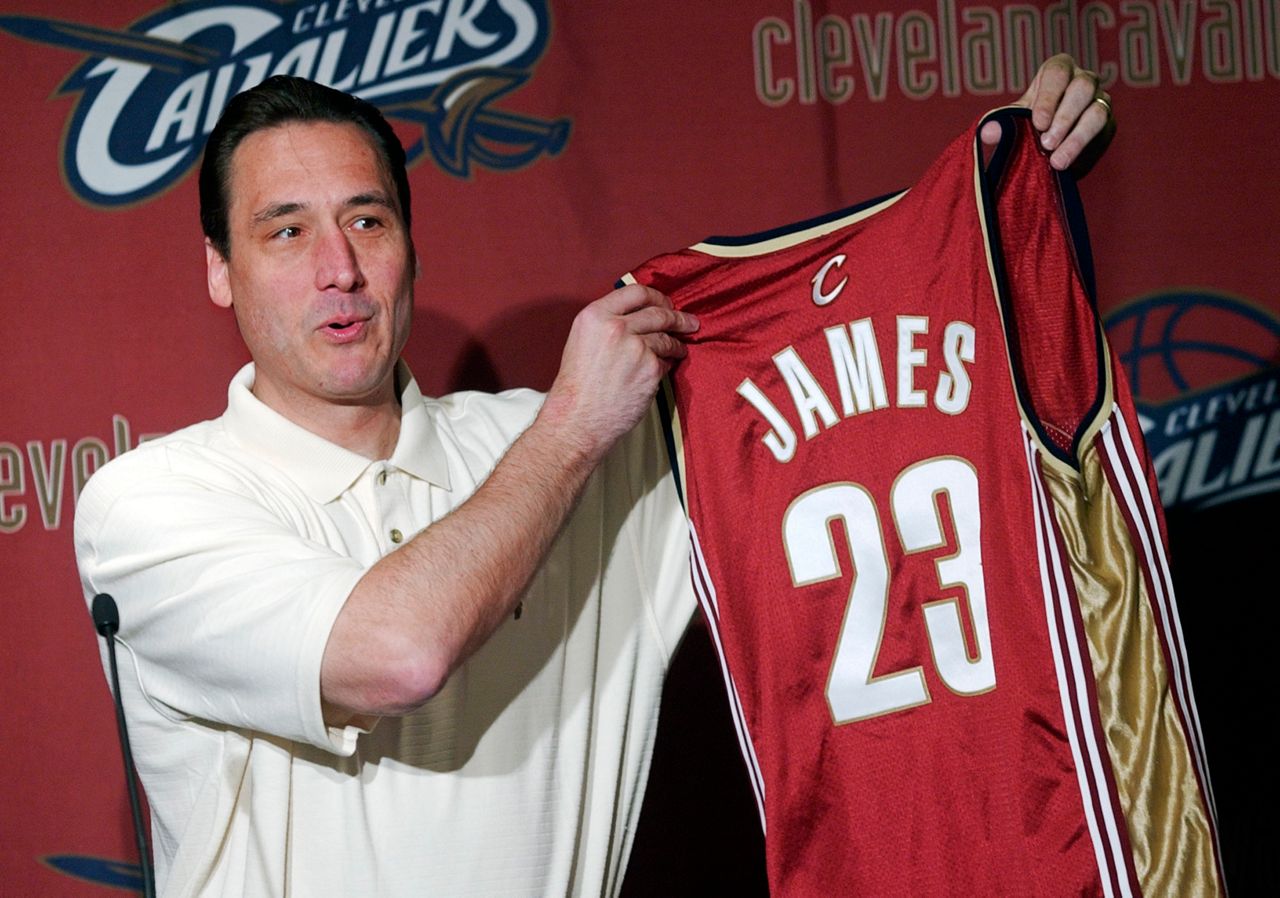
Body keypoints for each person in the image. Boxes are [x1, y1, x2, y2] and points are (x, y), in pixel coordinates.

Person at [75, 55, 1114, 897]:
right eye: (285, 230)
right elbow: (393, 653)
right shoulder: (152, 501)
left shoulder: (558, 437)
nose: (337, 268)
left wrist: (988, 198)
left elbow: (836, 379)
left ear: (409, 249)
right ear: (219, 268)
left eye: (367, 219)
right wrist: (575, 427)